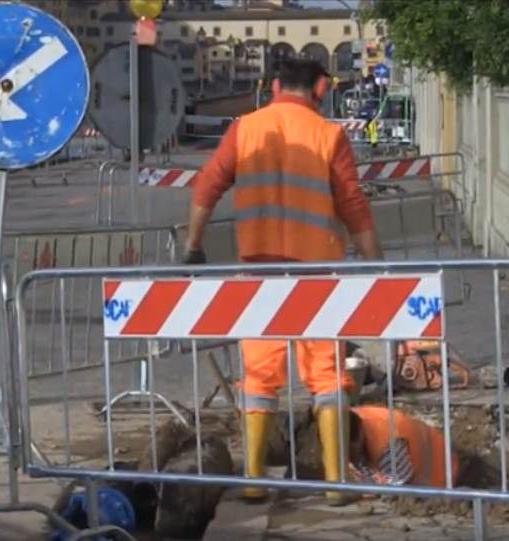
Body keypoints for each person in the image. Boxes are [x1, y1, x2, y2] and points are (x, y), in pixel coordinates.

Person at [182, 58, 383, 505]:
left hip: (258, 275)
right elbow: (353, 204)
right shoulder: (329, 135)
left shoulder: (244, 130)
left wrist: (193, 246)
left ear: (273, 85)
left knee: (258, 377)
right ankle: (335, 484)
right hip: (316, 276)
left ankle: (254, 478)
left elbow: (207, 186)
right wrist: (375, 265)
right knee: (327, 377)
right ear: (321, 87)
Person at [348, 406, 460, 487]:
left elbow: (398, 492)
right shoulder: (346, 420)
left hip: (441, 476)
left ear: (360, 436)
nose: (348, 458)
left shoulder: (387, 444)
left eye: (350, 453)